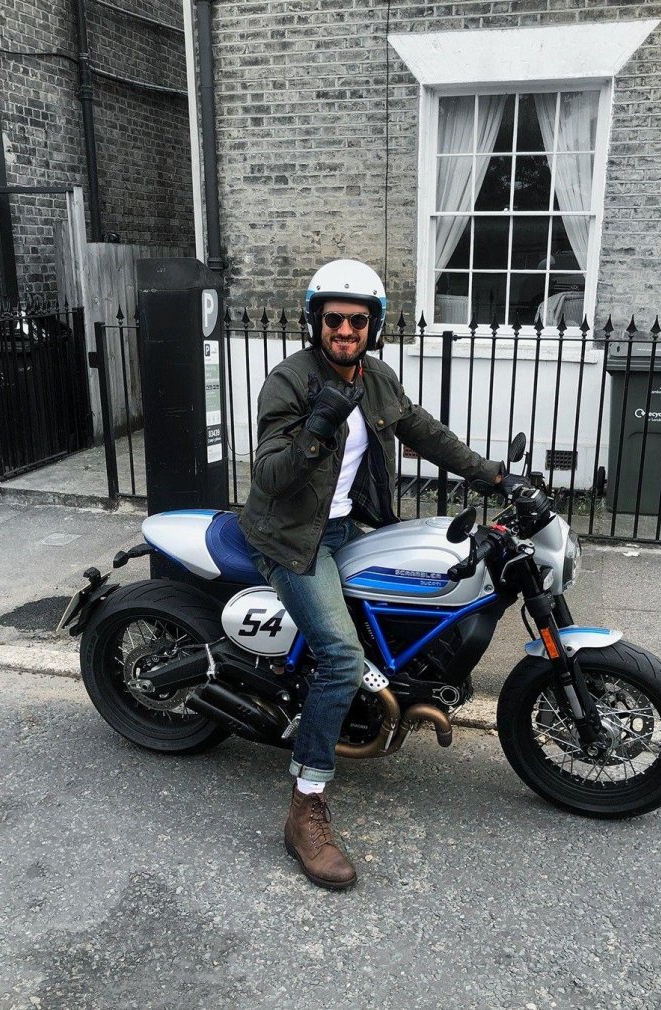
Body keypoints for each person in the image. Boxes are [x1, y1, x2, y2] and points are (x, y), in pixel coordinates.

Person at [239, 259, 505, 890]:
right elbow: (269, 475)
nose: (345, 330)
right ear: (316, 321)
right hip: (292, 540)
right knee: (341, 657)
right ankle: (305, 806)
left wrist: (492, 475)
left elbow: (424, 432)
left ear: (373, 326)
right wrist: (318, 425)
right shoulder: (289, 381)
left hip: (343, 528)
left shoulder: (377, 378)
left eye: (357, 321)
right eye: (334, 319)